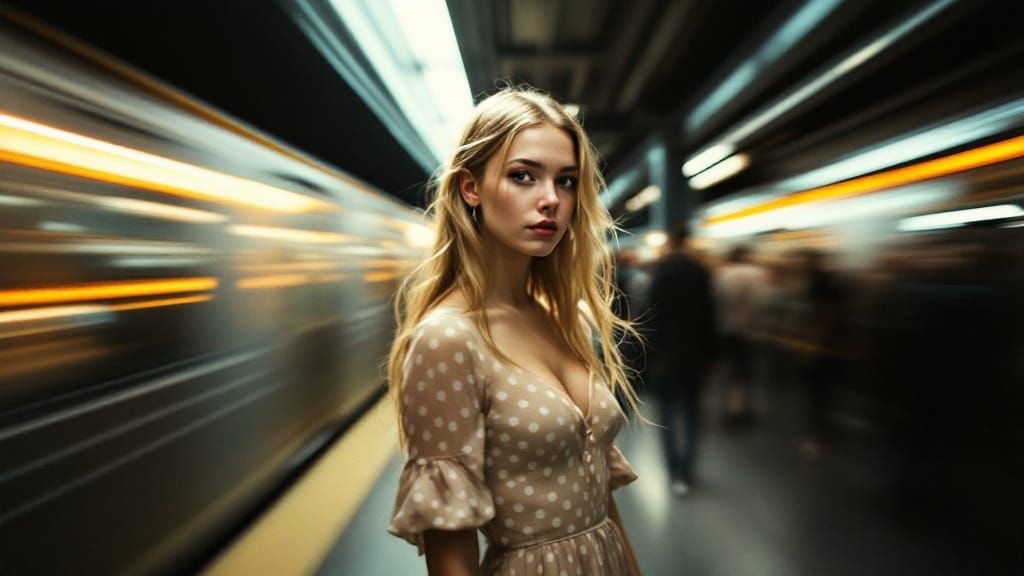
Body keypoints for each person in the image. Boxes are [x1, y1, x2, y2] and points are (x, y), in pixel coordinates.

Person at [386, 87, 644, 576]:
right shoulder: (448, 339)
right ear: (471, 188)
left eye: (566, 181)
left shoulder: (561, 317)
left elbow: (601, 499)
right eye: (523, 176)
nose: (551, 200)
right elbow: (451, 546)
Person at [646, 224, 717, 495]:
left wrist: (649, 357)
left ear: (669, 242)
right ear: (687, 242)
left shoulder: (660, 272)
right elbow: (709, 317)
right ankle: (686, 470)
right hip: (694, 356)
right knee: (691, 413)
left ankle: (673, 468)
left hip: (664, 356)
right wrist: (710, 356)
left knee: (666, 414)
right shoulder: (700, 272)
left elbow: (650, 317)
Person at [713, 244, 764, 425]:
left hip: (729, 329)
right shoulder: (759, 274)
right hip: (753, 331)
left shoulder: (723, 274)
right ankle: (747, 407)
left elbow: (718, 302)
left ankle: (733, 408)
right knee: (749, 371)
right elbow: (763, 302)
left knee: (732, 372)